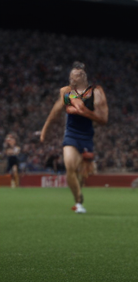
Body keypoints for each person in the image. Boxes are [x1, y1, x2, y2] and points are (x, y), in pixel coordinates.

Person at [38, 62, 108, 213]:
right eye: (71, 76)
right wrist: (45, 131)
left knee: (82, 172)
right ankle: (79, 200)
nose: (72, 78)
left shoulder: (94, 93)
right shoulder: (67, 92)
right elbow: (55, 111)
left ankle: (78, 200)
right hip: (71, 134)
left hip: (87, 137)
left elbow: (101, 118)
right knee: (69, 166)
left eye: (76, 76)